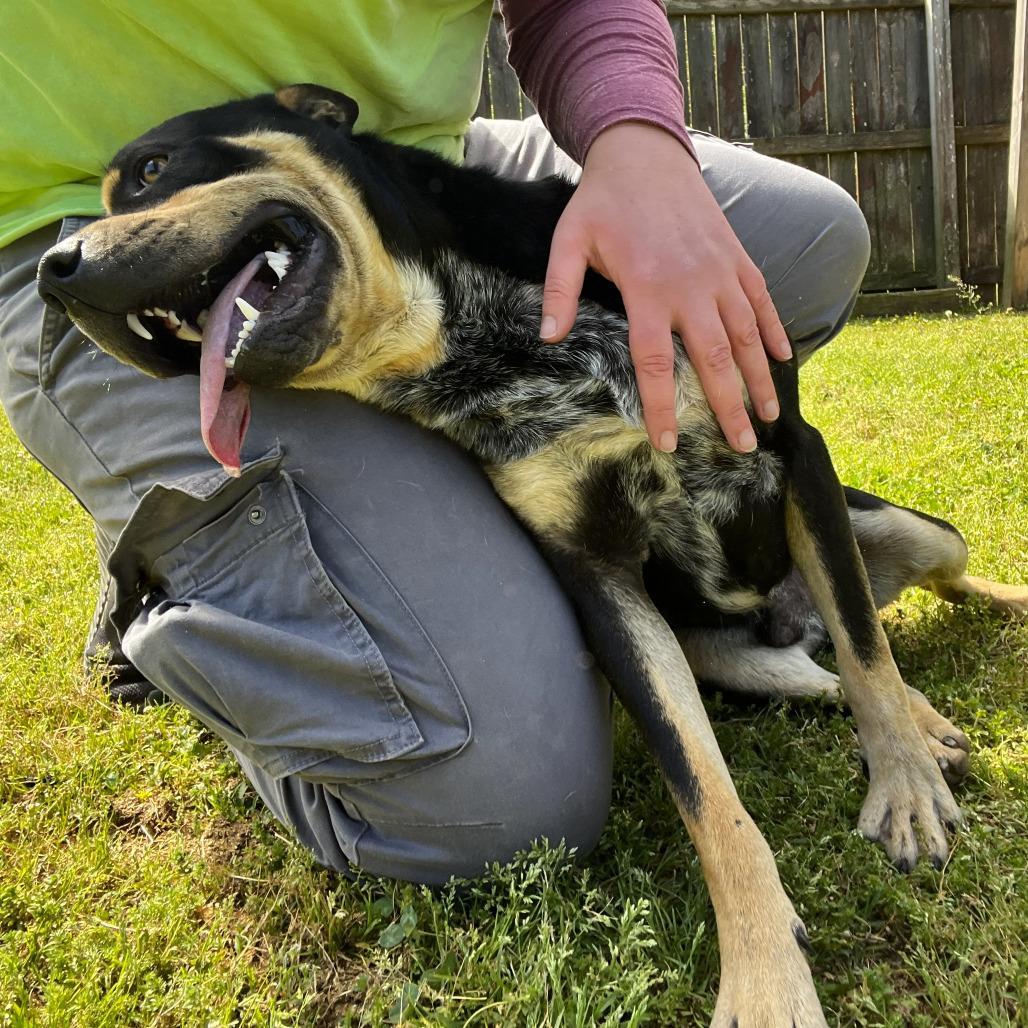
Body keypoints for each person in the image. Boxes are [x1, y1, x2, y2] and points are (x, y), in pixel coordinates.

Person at [0, 1, 870, 883]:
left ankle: (531, 523)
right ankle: (185, 586)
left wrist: (637, 148)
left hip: (403, 161)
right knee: (501, 801)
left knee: (811, 237)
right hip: (74, 234)